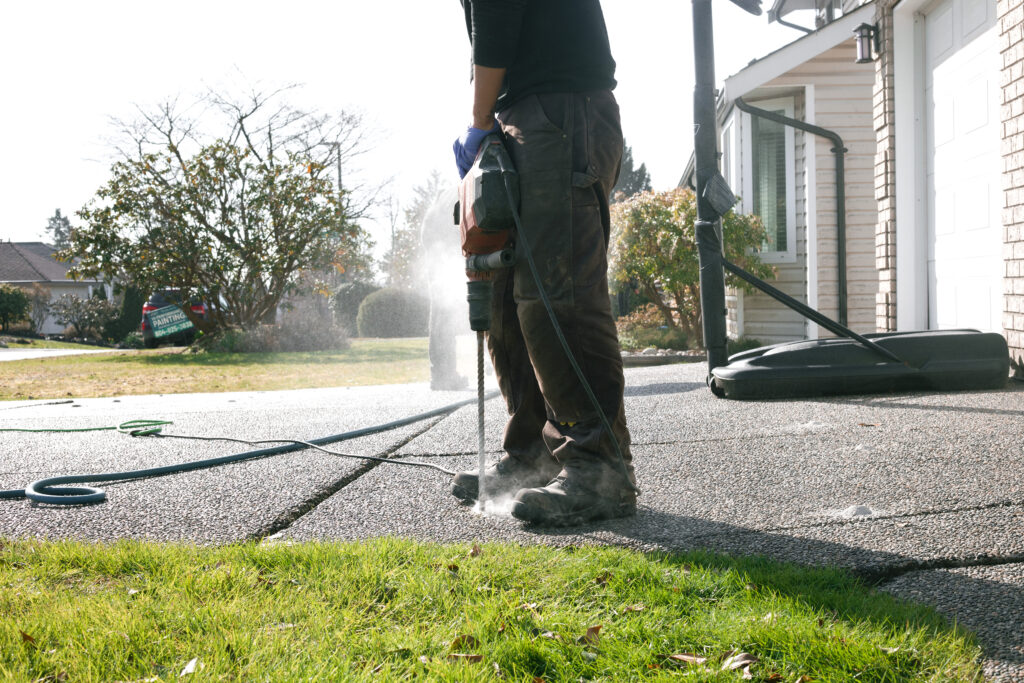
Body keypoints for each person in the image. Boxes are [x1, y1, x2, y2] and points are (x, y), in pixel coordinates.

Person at [450, 0, 636, 525]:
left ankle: (599, 469)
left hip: (559, 111)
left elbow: (496, 15)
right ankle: (533, 454)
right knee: (508, 292)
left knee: (558, 294)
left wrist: (478, 118)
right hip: (527, 115)